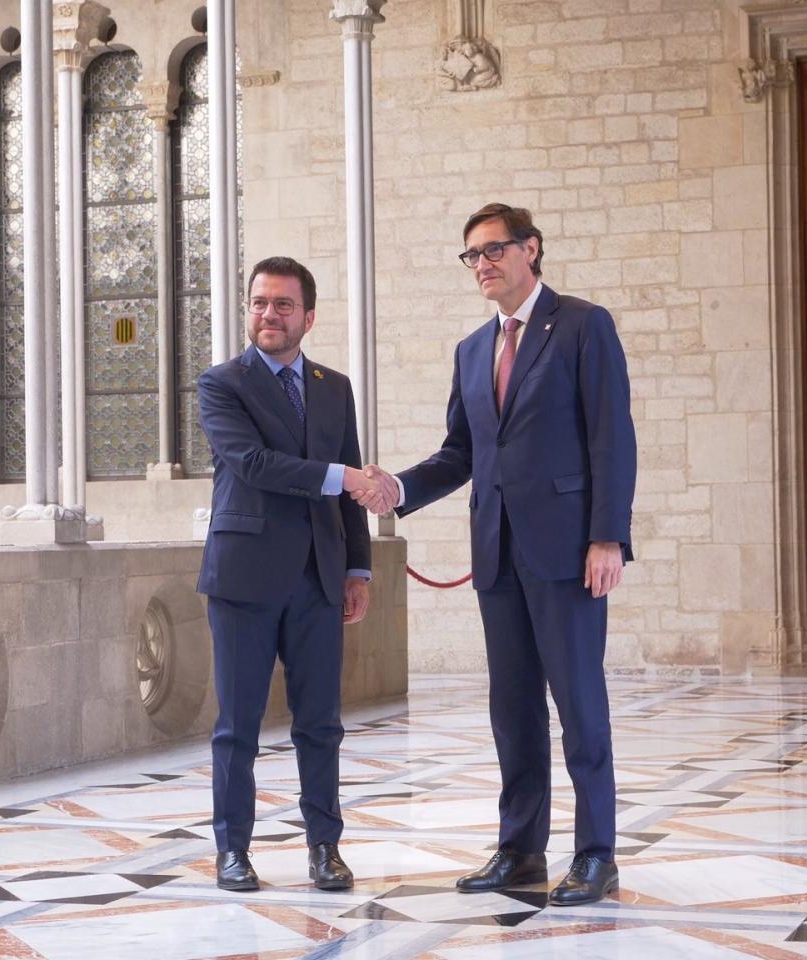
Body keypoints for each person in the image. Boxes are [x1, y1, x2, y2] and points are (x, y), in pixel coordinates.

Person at [355, 202, 636, 906]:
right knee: (512, 709)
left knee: (580, 705)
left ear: (531, 249)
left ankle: (597, 855)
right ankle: (520, 850)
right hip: (498, 555)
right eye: (471, 256)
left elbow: (612, 437)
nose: (482, 264)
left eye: (493, 250)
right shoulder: (473, 351)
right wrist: (401, 489)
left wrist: (608, 537)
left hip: (569, 553)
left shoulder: (581, 325)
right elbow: (462, 454)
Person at [196, 255, 382, 893]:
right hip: (244, 578)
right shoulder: (222, 383)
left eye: (281, 304)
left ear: (308, 315)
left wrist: (358, 566)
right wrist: (345, 479)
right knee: (237, 726)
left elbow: (350, 477)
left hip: (319, 580)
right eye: (257, 303)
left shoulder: (335, 386)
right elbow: (253, 463)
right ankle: (233, 851)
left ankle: (325, 849)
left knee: (321, 723)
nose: (267, 315)